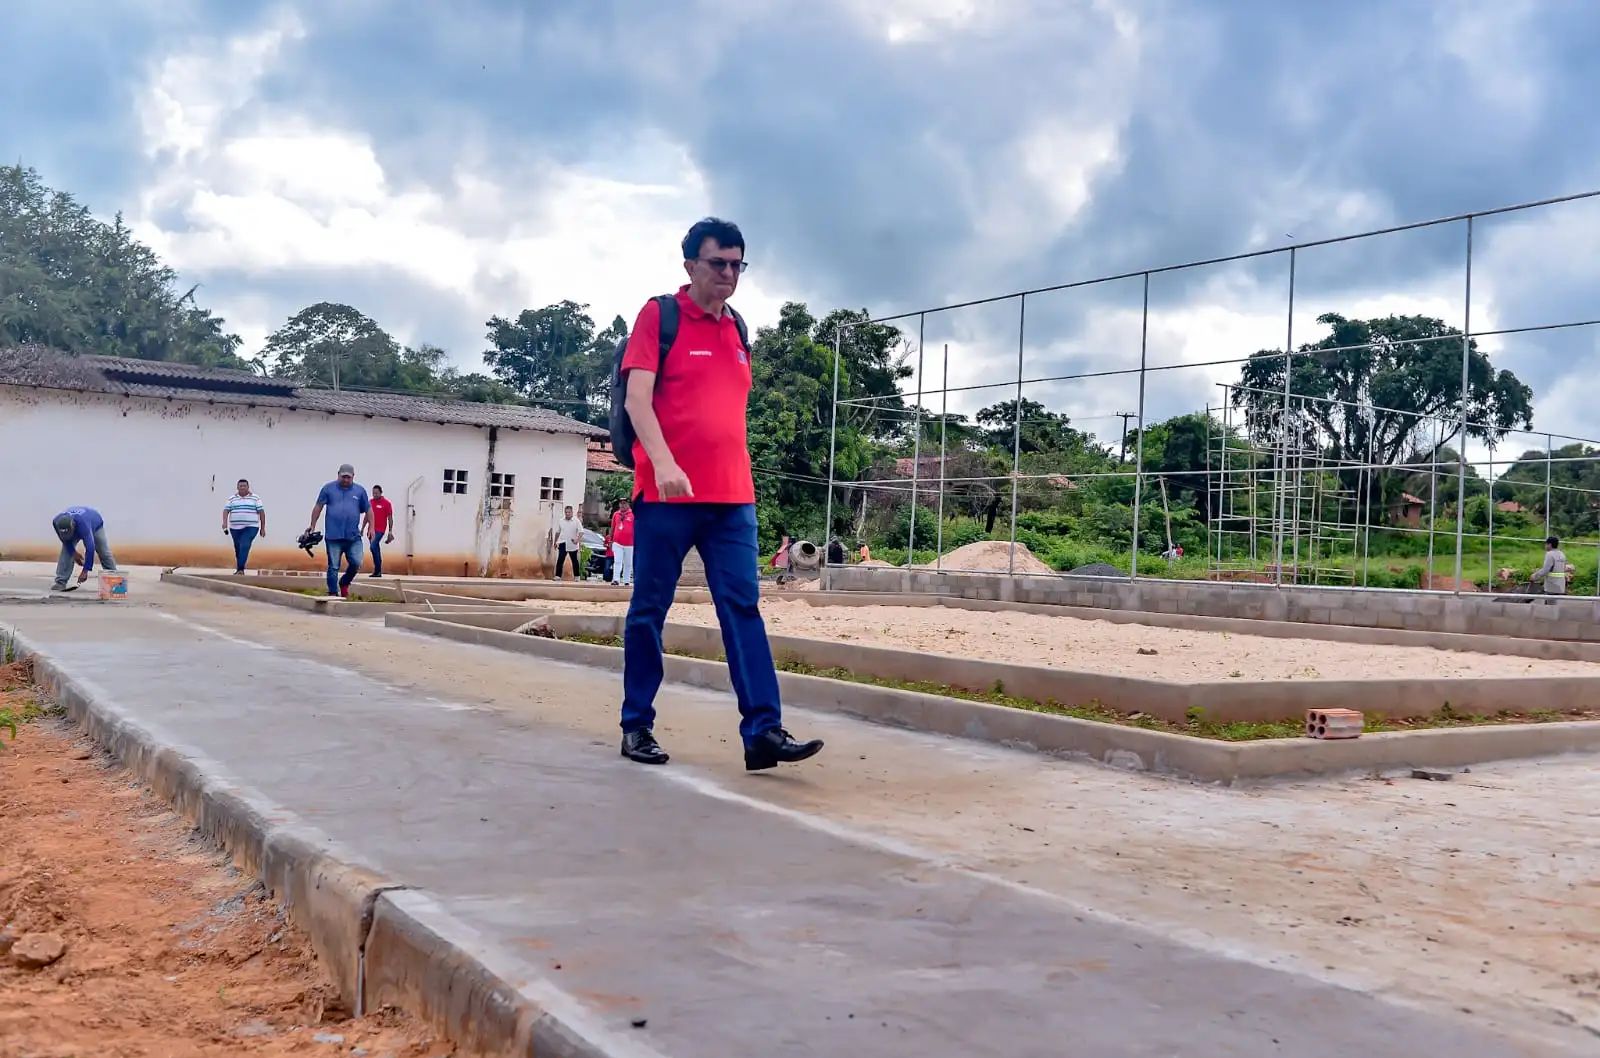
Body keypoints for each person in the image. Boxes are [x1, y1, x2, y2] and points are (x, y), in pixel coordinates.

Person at [616, 217, 823, 771]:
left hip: (733, 499)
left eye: (737, 264)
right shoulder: (660, 316)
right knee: (649, 611)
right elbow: (637, 400)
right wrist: (663, 463)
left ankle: (763, 732)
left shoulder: (738, 329)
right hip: (666, 497)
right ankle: (636, 725)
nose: (729, 273)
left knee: (743, 609)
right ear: (690, 265)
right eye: (718, 263)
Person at [306, 463, 370, 597]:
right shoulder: (328, 489)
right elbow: (318, 507)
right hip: (333, 536)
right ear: (338, 475)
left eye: (348, 477)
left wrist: (372, 528)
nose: (345, 480)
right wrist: (312, 525)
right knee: (334, 566)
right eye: (343, 477)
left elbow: (368, 510)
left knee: (357, 562)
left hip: (353, 536)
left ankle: (344, 582)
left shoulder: (360, 491)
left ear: (353, 476)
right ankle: (333, 593)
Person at [50, 506, 117, 592]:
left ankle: (114, 581)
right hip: (75, 526)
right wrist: (73, 553)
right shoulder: (56, 522)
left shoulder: (83, 526)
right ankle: (60, 582)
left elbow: (90, 548)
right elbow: (64, 540)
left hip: (95, 524)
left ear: (73, 527)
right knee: (66, 552)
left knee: (103, 552)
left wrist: (85, 571)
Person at [221, 479, 266, 574]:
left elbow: (261, 512)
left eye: (244, 486)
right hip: (235, 528)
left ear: (248, 487)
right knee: (238, 548)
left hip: (251, 527)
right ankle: (239, 569)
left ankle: (241, 569)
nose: (242, 488)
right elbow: (226, 511)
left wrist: (262, 528)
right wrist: (224, 523)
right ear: (237, 487)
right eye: (240, 486)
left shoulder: (255, 498)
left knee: (244, 545)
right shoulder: (232, 498)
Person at [368, 485, 395, 578]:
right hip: (371, 530)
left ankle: (377, 570)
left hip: (380, 530)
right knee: (375, 550)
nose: (375, 495)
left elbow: (390, 518)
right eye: (373, 493)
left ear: (381, 493)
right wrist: (362, 528)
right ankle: (377, 571)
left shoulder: (386, 503)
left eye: (376, 493)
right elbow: (367, 516)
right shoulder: (370, 502)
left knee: (373, 546)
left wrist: (390, 531)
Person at [609, 498, 636, 587]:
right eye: (621, 503)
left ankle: (626, 580)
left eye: (624, 503)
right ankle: (616, 579)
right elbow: (612, 527)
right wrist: (610, 540)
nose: (622, 505)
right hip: (617, 542)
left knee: (628, 563)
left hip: (630, 543)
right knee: (617, 561)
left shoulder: (633, 514)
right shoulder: (616, 514)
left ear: (628, 504)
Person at [554, 506, 583, 580]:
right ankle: (558, 576)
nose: (567, 514)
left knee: (574, 560)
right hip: (563, 542)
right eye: (566, 512)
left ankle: (577, 576)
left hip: (572, 543)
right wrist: (555, 541)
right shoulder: (561, 521)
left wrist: (577, 540)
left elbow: (581, 532)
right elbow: (558, 532)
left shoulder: (576, 521)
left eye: (569, 512)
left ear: (572, 512)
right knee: (560, 559)